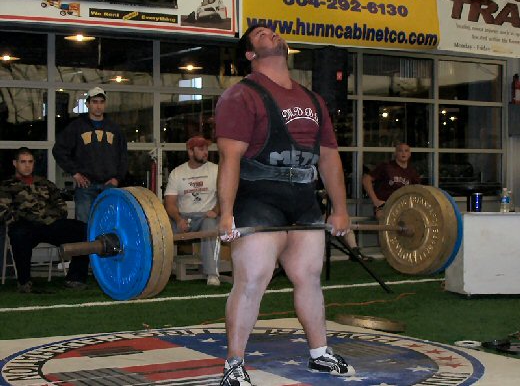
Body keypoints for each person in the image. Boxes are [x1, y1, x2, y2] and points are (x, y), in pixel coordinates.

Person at [214, 24, 355, 385]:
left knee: (308, 277)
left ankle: (319, 354)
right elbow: (230, 158)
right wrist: (226, 212)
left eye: (273, 31)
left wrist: (339, 209)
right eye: (260, 34)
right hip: (258, 198)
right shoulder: (239, 96)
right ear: (249, 54)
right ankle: (233, 365)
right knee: (252, 280)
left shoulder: (313, 100)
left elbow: (328, 158)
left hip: (304, 199)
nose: (271, 34)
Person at [0, 147, 90, 293]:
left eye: (30, 162)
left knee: (83, 230)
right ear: (15, 163)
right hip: (25, 226)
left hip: (49, 224)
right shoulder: (7, 186)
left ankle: (75, 278)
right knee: (18, 235)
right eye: (23, 162)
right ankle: (24, 282)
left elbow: (61, 206)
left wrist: (50, 218)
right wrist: (19, 219)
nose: (27, 165)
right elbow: (3, 209)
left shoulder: (45, 183)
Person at [53, 87, 128, 223]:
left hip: (109, 185)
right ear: (87, 104)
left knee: (109, 223)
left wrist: (117, 178)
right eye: (94, 102)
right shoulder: (76, 127)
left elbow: (123, 155)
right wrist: (75, 173)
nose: (98, 106)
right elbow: (59, 150)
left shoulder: (115, 129)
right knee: (83, 225)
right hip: (85, 187)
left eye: (101, 102)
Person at [163, 136, 220, 286]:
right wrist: (178, 219)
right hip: (183, 217)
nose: (205, 152)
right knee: (161, 228)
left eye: (206, 148)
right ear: (190, 152)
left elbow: (227, 195)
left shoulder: (216, 170)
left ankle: (212, 274)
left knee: (209, 225)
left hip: (206, 217)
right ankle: (161, 272)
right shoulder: (177, 173)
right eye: (201, 149)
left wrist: (216, 210)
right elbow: (169, 203)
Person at [362, 143, 421, 219]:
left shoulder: (412, 172)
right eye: (400, 151)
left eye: (406, 151)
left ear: (409, 154)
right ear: (395, 153)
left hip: (404, 206)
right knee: (383, 218)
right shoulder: (386, 167)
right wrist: (375, 201)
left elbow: (417, 190)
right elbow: (366, 179)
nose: (403, 153)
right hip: (385, 205)